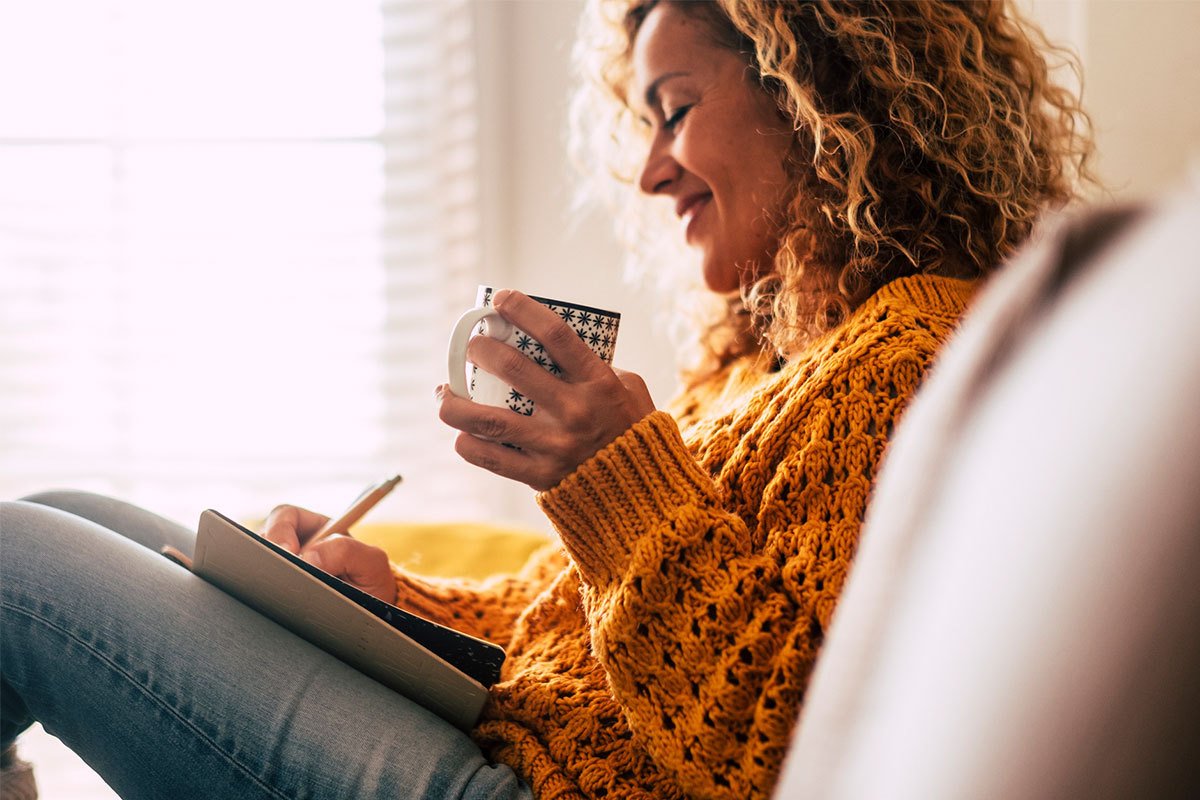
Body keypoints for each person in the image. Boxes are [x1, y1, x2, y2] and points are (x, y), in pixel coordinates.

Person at [0, 1, 1093, 798]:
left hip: (539, 788)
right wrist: (391, 600)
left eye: (675, 111)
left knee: (15, 563)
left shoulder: (906, 359)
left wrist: (616, 479)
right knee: (71, 511)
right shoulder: (770, 358)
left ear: (818, 94)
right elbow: (569, 639)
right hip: (527, 740)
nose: (652, 171)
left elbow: (786, 753)